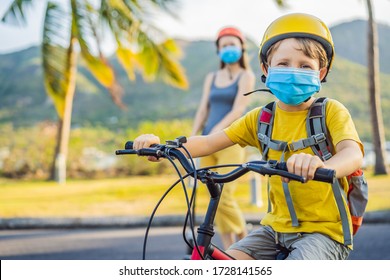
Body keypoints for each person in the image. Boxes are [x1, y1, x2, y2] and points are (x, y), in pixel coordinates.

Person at [133, 13, 364, 260]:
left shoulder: (330, 111)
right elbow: (210, 141)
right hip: (274, 229)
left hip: (324, 232)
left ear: (320, 73)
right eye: (283, 64)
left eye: (305, 65)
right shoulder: (261, 119)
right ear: (266, 69)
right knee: (226, 264)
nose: (293, 71)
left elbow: (352, 154)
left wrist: (322, 165)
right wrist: (162, 146)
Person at [190, 26, 255, 249]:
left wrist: (215, 133)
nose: (228, 48)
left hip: (230, 139)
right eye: (224, 45)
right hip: (207, 142)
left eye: (232, 44)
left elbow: (238, 110)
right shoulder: (212, 77)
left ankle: (245, 242)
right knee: (212, 197)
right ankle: (229, 251)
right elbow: (203, 109)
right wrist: (191, 138)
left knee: (226, 196)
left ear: (241, 48)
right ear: (218, 50)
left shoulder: (246, 76)